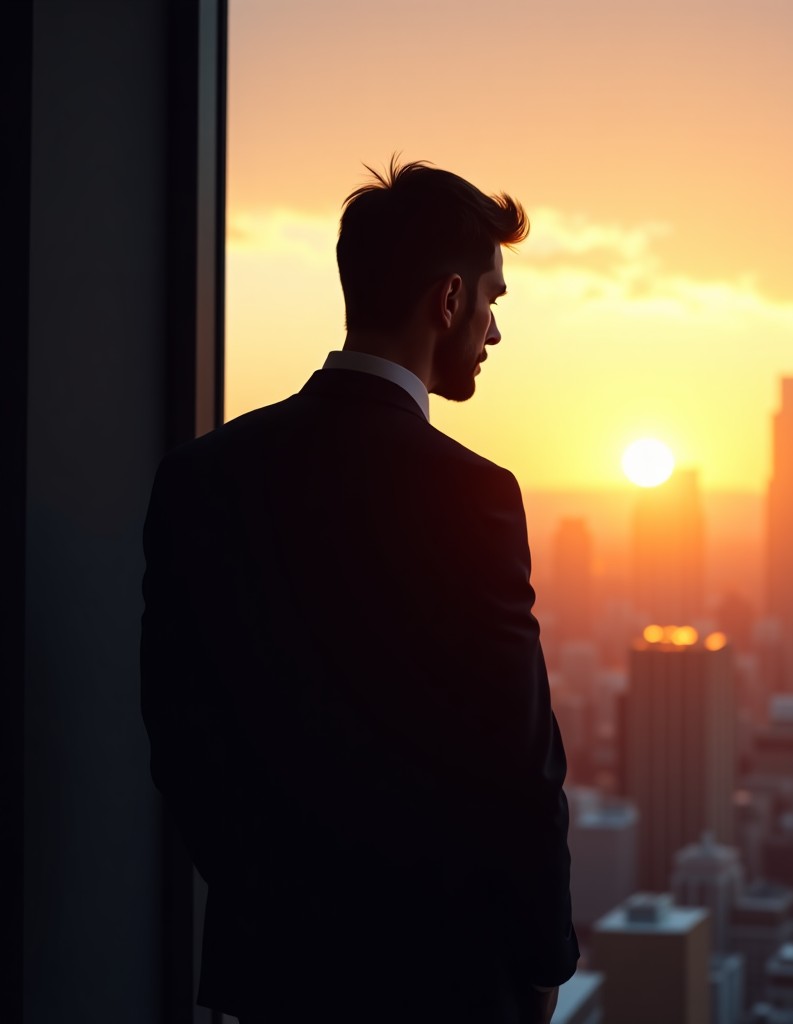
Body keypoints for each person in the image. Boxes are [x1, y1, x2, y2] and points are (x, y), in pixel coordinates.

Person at [140, 158, 579, 1023]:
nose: (493, 333)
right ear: (447, 301)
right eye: (491, 301)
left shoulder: (202, 476)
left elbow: (179, 734)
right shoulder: (472, 495)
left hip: (272, 974)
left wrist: (270, 903)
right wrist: (540, 965)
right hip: (441, 982)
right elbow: (518, 765)